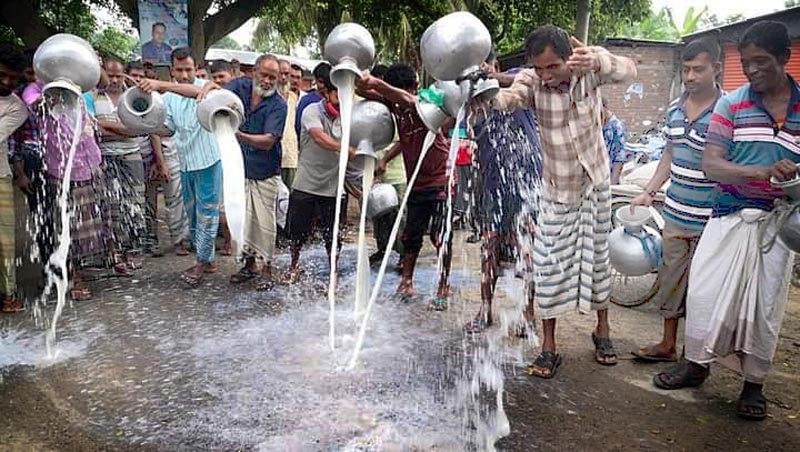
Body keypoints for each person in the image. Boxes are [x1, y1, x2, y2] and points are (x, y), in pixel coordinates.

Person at [652, 21, 800, 422]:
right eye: (746, 62)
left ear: (785, 59)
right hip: (727, 216)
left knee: (762, 307)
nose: (752, 70)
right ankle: (696, 364)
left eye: (761, 62)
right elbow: (712, 164)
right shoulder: (731, 104)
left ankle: (753, 385)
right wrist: (761, 172)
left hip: (777, 228)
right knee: (703, 296)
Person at [490, 25, 637, 377]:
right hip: (557, 189)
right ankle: (549, 346)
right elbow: (507, 100)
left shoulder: (587, 70)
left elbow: (628, 69)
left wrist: (599, 58)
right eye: (539, 68)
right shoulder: (531, 81)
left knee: (599, 260)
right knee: (548, 267)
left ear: (569, 59)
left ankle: (603, 330)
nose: (546, 75)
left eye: (552, 67)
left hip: (597, 181)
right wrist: (481, 94)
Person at [629, 39, 724, 362]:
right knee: (670, 279)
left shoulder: (728, 111)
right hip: (676, 213)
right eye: (686, 69)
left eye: (699, 69)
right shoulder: (673, 109)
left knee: (702, 290)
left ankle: (693, 357)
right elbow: (669, 153)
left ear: (717, 69)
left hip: (712, 218)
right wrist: (649, 191)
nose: (691, 76)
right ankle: (667, 345)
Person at [356, 63, 453, 310]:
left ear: (413, 87)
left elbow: (407, 100)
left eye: (400, 91)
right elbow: (368, 93)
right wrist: (357, 78)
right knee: (411, 236)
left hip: (439, 178)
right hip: (416, 182)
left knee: (439, 236)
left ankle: (443, 286)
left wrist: (379, 85)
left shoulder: (425, 100)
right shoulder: (396, 106)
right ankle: (406, 281)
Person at [465, 54, 543, 334]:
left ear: (492, 64)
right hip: (492, 183)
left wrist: (492, 78)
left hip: (526, 179)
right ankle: (484, 311)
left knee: (529, 249)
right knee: (490, 248)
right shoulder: (469, 95)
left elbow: (528, 81)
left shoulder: (516, 76)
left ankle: (528, 315)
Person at [138, 47, 222, 287]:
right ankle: (208, 259)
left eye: (188, 69)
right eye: (179, 70)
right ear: (172, 70)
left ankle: (200, 263)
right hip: (186, 163)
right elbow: (169, 129)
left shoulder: (205, 88)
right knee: (193, 215)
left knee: (207, 214)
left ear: (195, 69)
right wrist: (145, 125)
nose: (184, 74)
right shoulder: (168, 98)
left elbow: (196, 93)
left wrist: (161, 85)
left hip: (209, 161)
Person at [210, 54, 287, 290]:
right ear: (254, 72)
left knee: (265, 224)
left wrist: (239, 135)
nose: (267, 81)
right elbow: (218, 93)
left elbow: (268, 141)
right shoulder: (240, 86)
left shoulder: (278, 104)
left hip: (265, 172)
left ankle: (267, 269)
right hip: (240, 168)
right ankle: (249, 265)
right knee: (242, 220)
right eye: (264, 75)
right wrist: (208, 85)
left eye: (272, 78)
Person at [282, 69, 353, 284]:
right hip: (307, 184)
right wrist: (348, 149)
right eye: (337, 95)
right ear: (327, 93)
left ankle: (333, 273)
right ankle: (294, 266)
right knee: (297, 233)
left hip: (334, 187)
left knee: (333, 236)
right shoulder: (311, 111)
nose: (340, 101)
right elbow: (319, 138)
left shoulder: (350, 117)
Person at [91, 56, 149, 271]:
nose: (114, 79)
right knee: (110, 205)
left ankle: (132, 251)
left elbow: (142, 126)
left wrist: (106, 128)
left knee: (134, 203)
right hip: (105, 157)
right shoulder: (94, 96)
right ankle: (113, 251)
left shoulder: (132, 96)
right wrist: (126, 130)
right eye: (110, 74)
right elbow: (93, 130)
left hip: (132, 155)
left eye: (118, 75)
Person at [367, 63, 406, 268]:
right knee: (379, 215)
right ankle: (383, 250)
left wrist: (385, 160)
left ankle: (402, 256)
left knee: (398, 216)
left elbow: (402, 142)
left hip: (396, 172)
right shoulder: (373, 109)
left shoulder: (397, 110)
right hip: (376, 172)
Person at [0, 43, 28, 312]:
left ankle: (7, 294)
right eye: (2, 75)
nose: (7, 82)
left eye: (13, 77)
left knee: (5, 240)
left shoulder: (17, 108)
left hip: (0, 176)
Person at [278, 60, 300, 190]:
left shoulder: (293, 98)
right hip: (273, 157)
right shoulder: (266, 98)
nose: (283, 78)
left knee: (290, 198)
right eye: (281, 73)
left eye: (287, 74)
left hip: (291, 156)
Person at [295, 63, 331, 138]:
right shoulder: (306, 100)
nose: (324, 86)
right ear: (316, 80)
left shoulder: (334, 101)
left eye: (327, 83)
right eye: (321, 82)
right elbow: (298, 126)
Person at [602, 101, 629, 184]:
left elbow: (619, 157)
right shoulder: (599, 124)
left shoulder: (617, 127)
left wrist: (612, 183)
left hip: (609, 176)